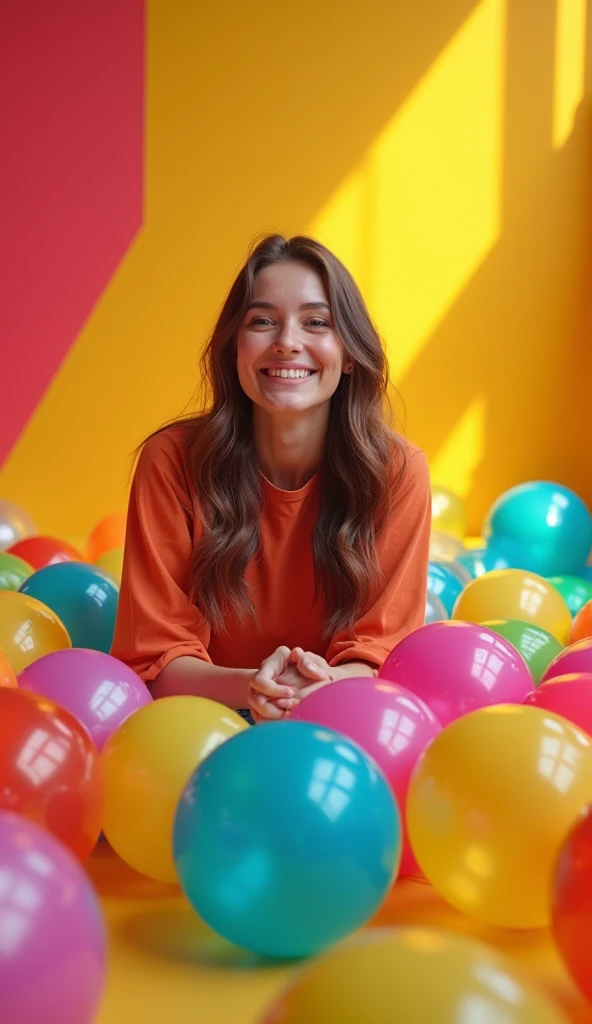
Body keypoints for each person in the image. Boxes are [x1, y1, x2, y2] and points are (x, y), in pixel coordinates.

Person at [111, 234, 431, 723]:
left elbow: (381, 655)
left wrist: (318, 690)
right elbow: (153, 660)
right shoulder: (171, 462)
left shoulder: (397, 473)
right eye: (262, 321)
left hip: (346, 725)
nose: (287, 341)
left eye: (316, 322)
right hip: (198, 727)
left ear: (349, 355)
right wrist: (255, 688)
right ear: (234, 350)